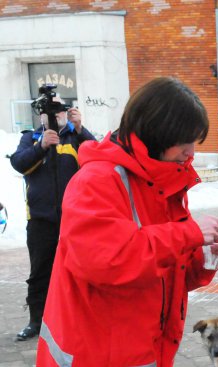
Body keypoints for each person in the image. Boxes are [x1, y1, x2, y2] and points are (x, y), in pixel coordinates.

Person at [36, 77, 218, 366]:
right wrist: (189, 233)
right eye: (184, 142)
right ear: (155, 134)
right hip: (96, 354)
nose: (191, 153)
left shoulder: (163, 182)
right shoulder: (97, 181)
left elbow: (163, 272)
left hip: (145, 351)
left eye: (194, 141)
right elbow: (109, 261)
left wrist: (204, 256)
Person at [10, 97, 96, 341]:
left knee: (81, 270)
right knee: (40, 273)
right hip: (40, 220)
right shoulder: (30, 138)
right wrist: (41, 146)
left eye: (60, 109)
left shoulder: (76, 138)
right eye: (50, 109)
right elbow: (19, 164)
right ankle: (36, 321)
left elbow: (100, 158)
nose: (55, 113)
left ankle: (82, 318)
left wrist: (81, 129)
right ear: (40, 115)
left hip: (76, 220)